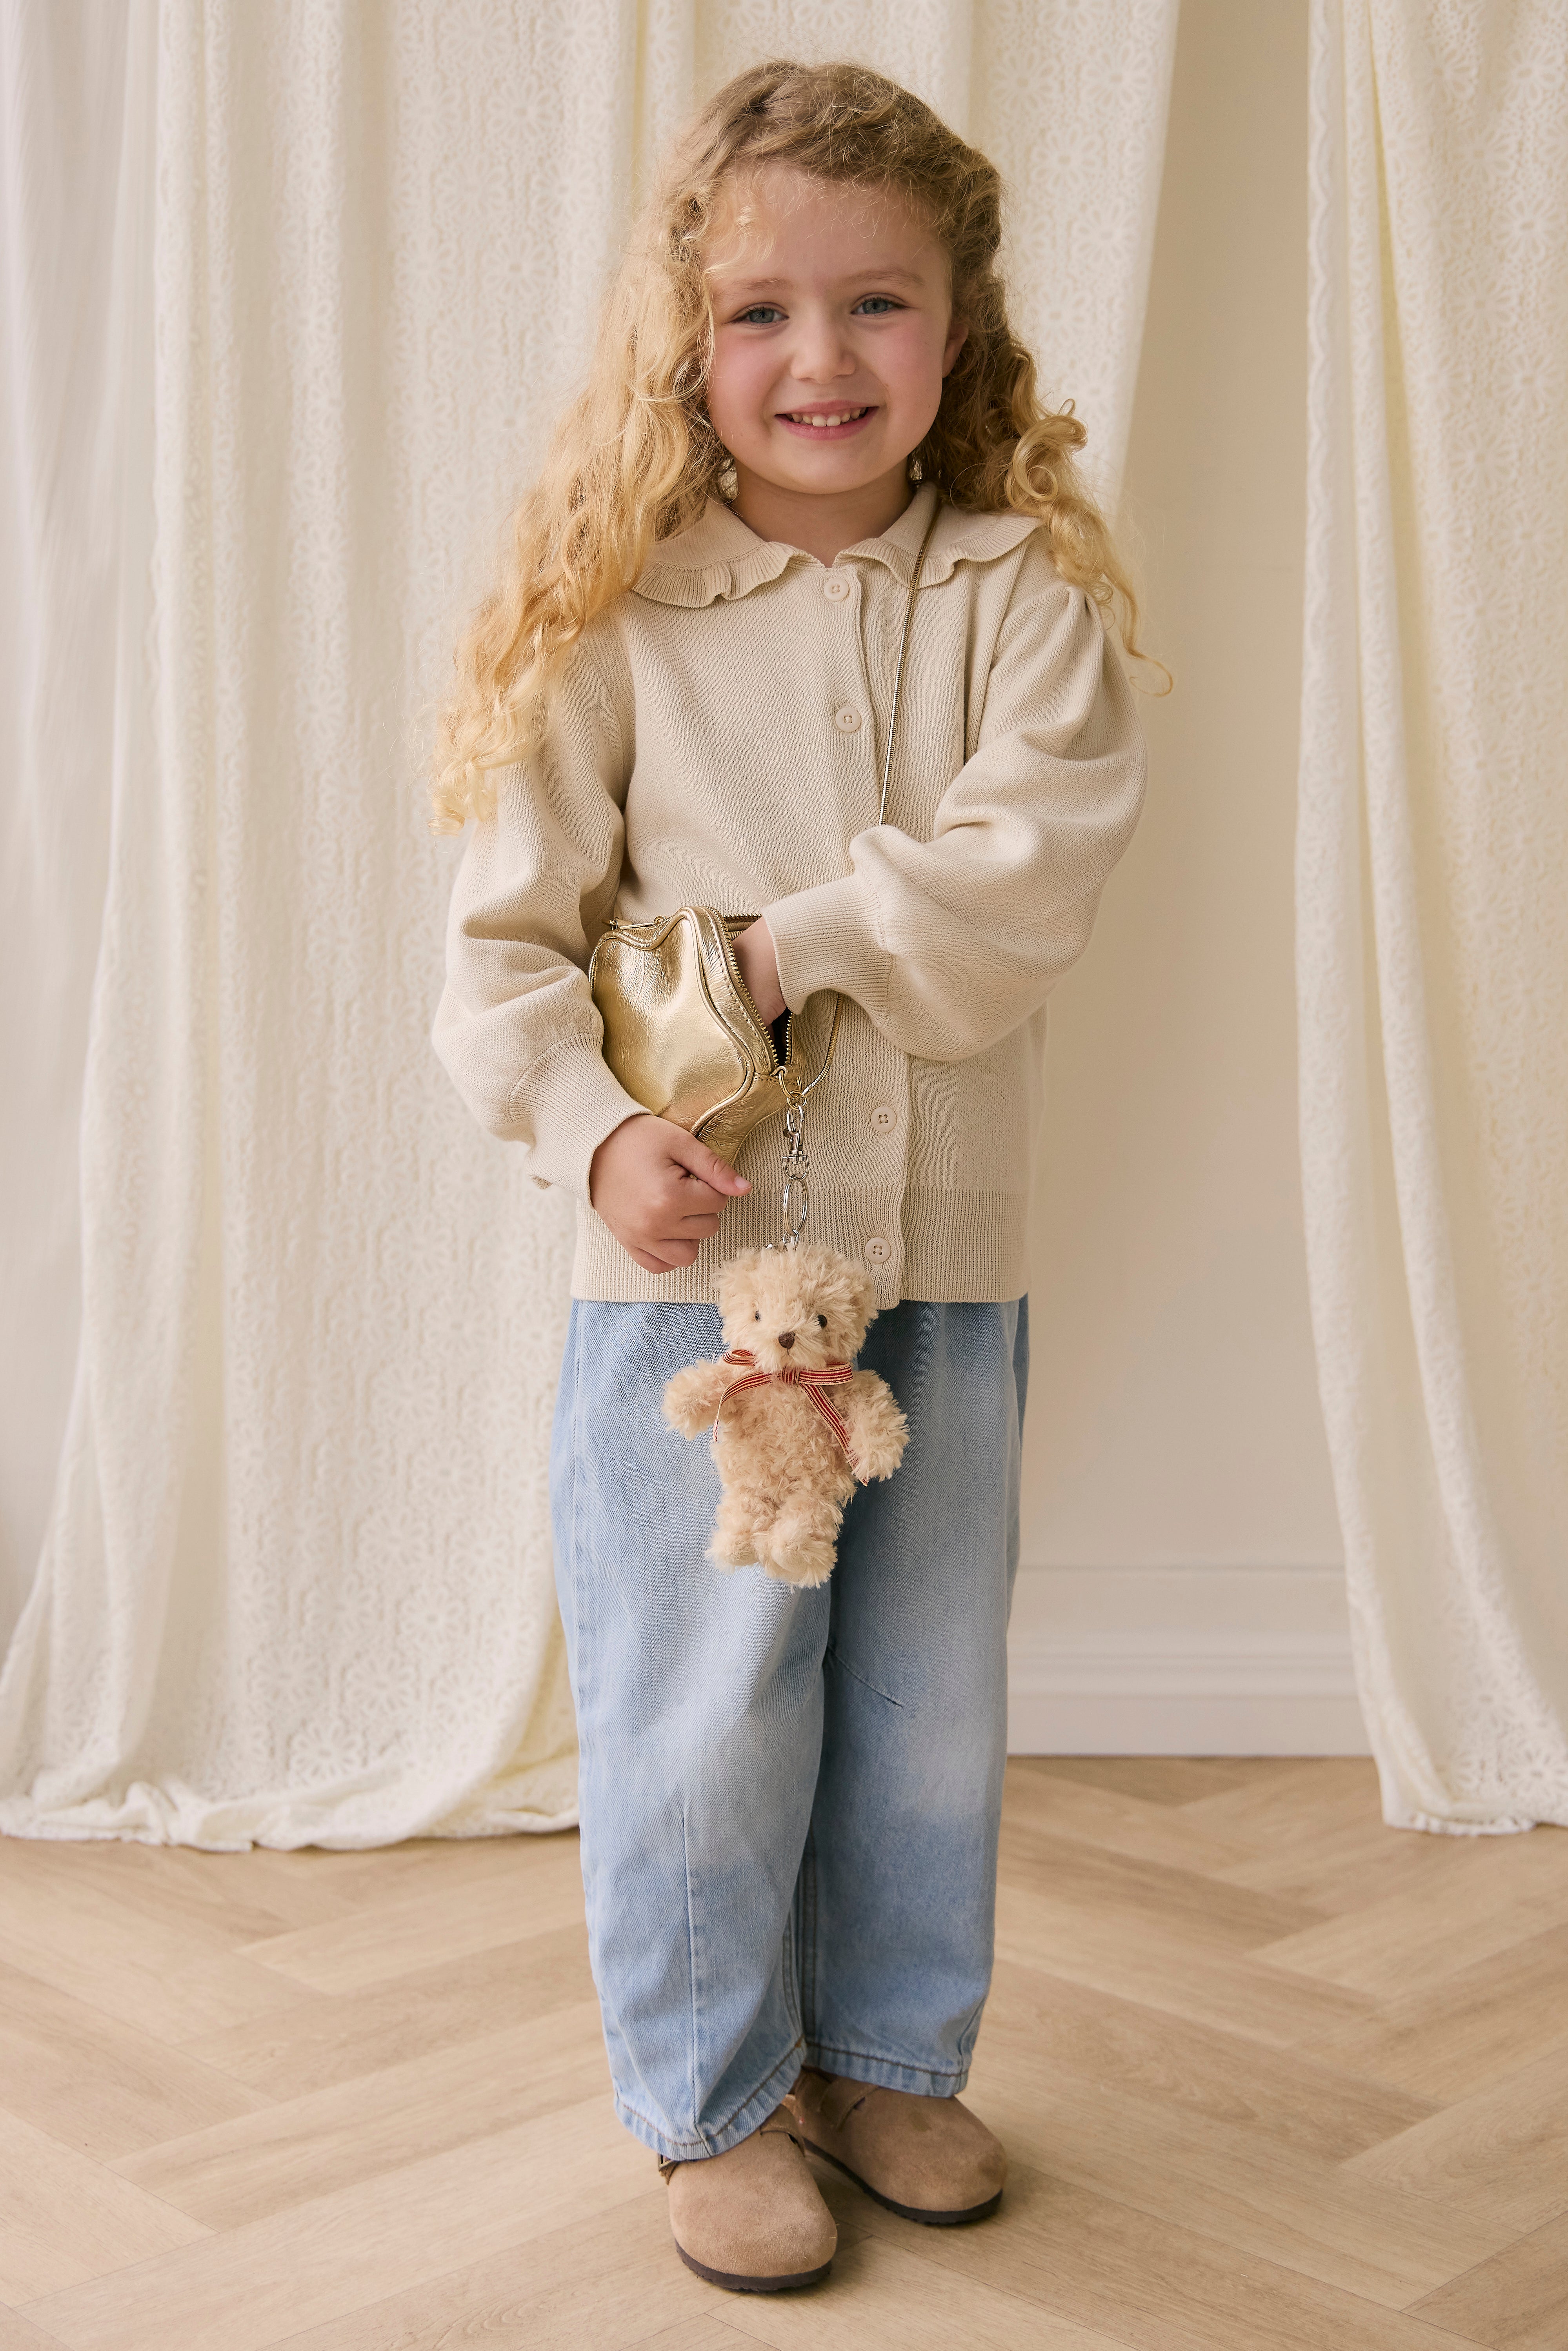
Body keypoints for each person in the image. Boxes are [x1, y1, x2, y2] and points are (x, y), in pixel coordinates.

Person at [432, 58, 1149, 2296]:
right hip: (696, 1283)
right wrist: (597, 1131)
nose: (819, 358)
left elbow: (1025, 879)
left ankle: (888, 2058)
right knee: (703, 1702)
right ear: (689, 338)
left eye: (875, 303)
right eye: (760, 312)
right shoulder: (619, 612)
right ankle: (717, 2099)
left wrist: (777, 946)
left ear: (962, 325)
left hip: (946, 1263)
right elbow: (503, 964)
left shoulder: (1024, 593)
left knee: (923, 1697)